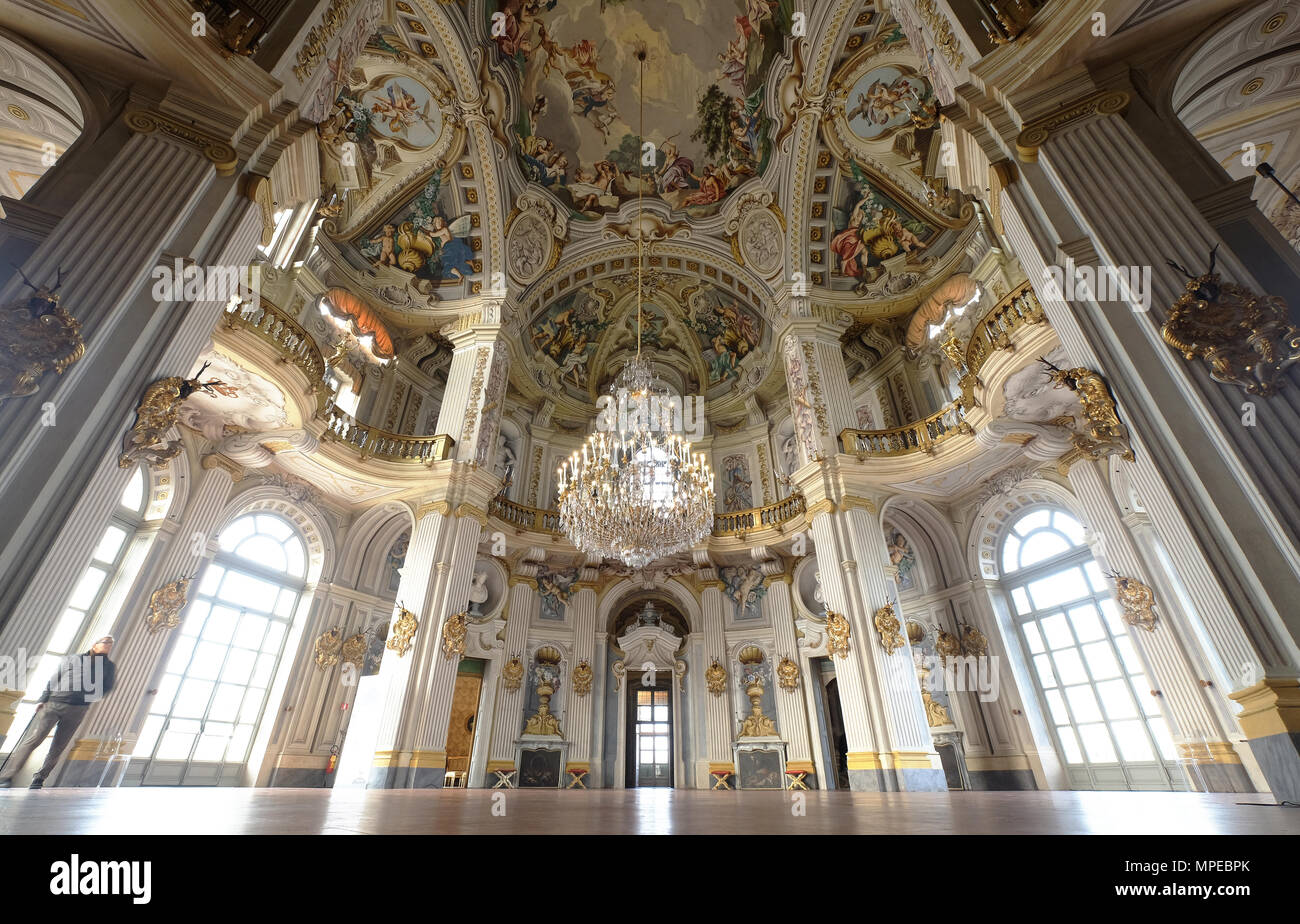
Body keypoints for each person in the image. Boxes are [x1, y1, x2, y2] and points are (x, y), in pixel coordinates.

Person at [0, 636, 117, 789]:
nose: (109, 645)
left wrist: (88, 698)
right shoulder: (73, 659)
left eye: (111, 644)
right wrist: (43, 699)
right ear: (95, 644)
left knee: (59, 746)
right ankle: (7, 776)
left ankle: (39, 778)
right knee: (34, 739)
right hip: (54, 704)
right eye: (106, 642)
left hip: (78, 709)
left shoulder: (108, 666)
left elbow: (107, 687)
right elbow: (54, 679)